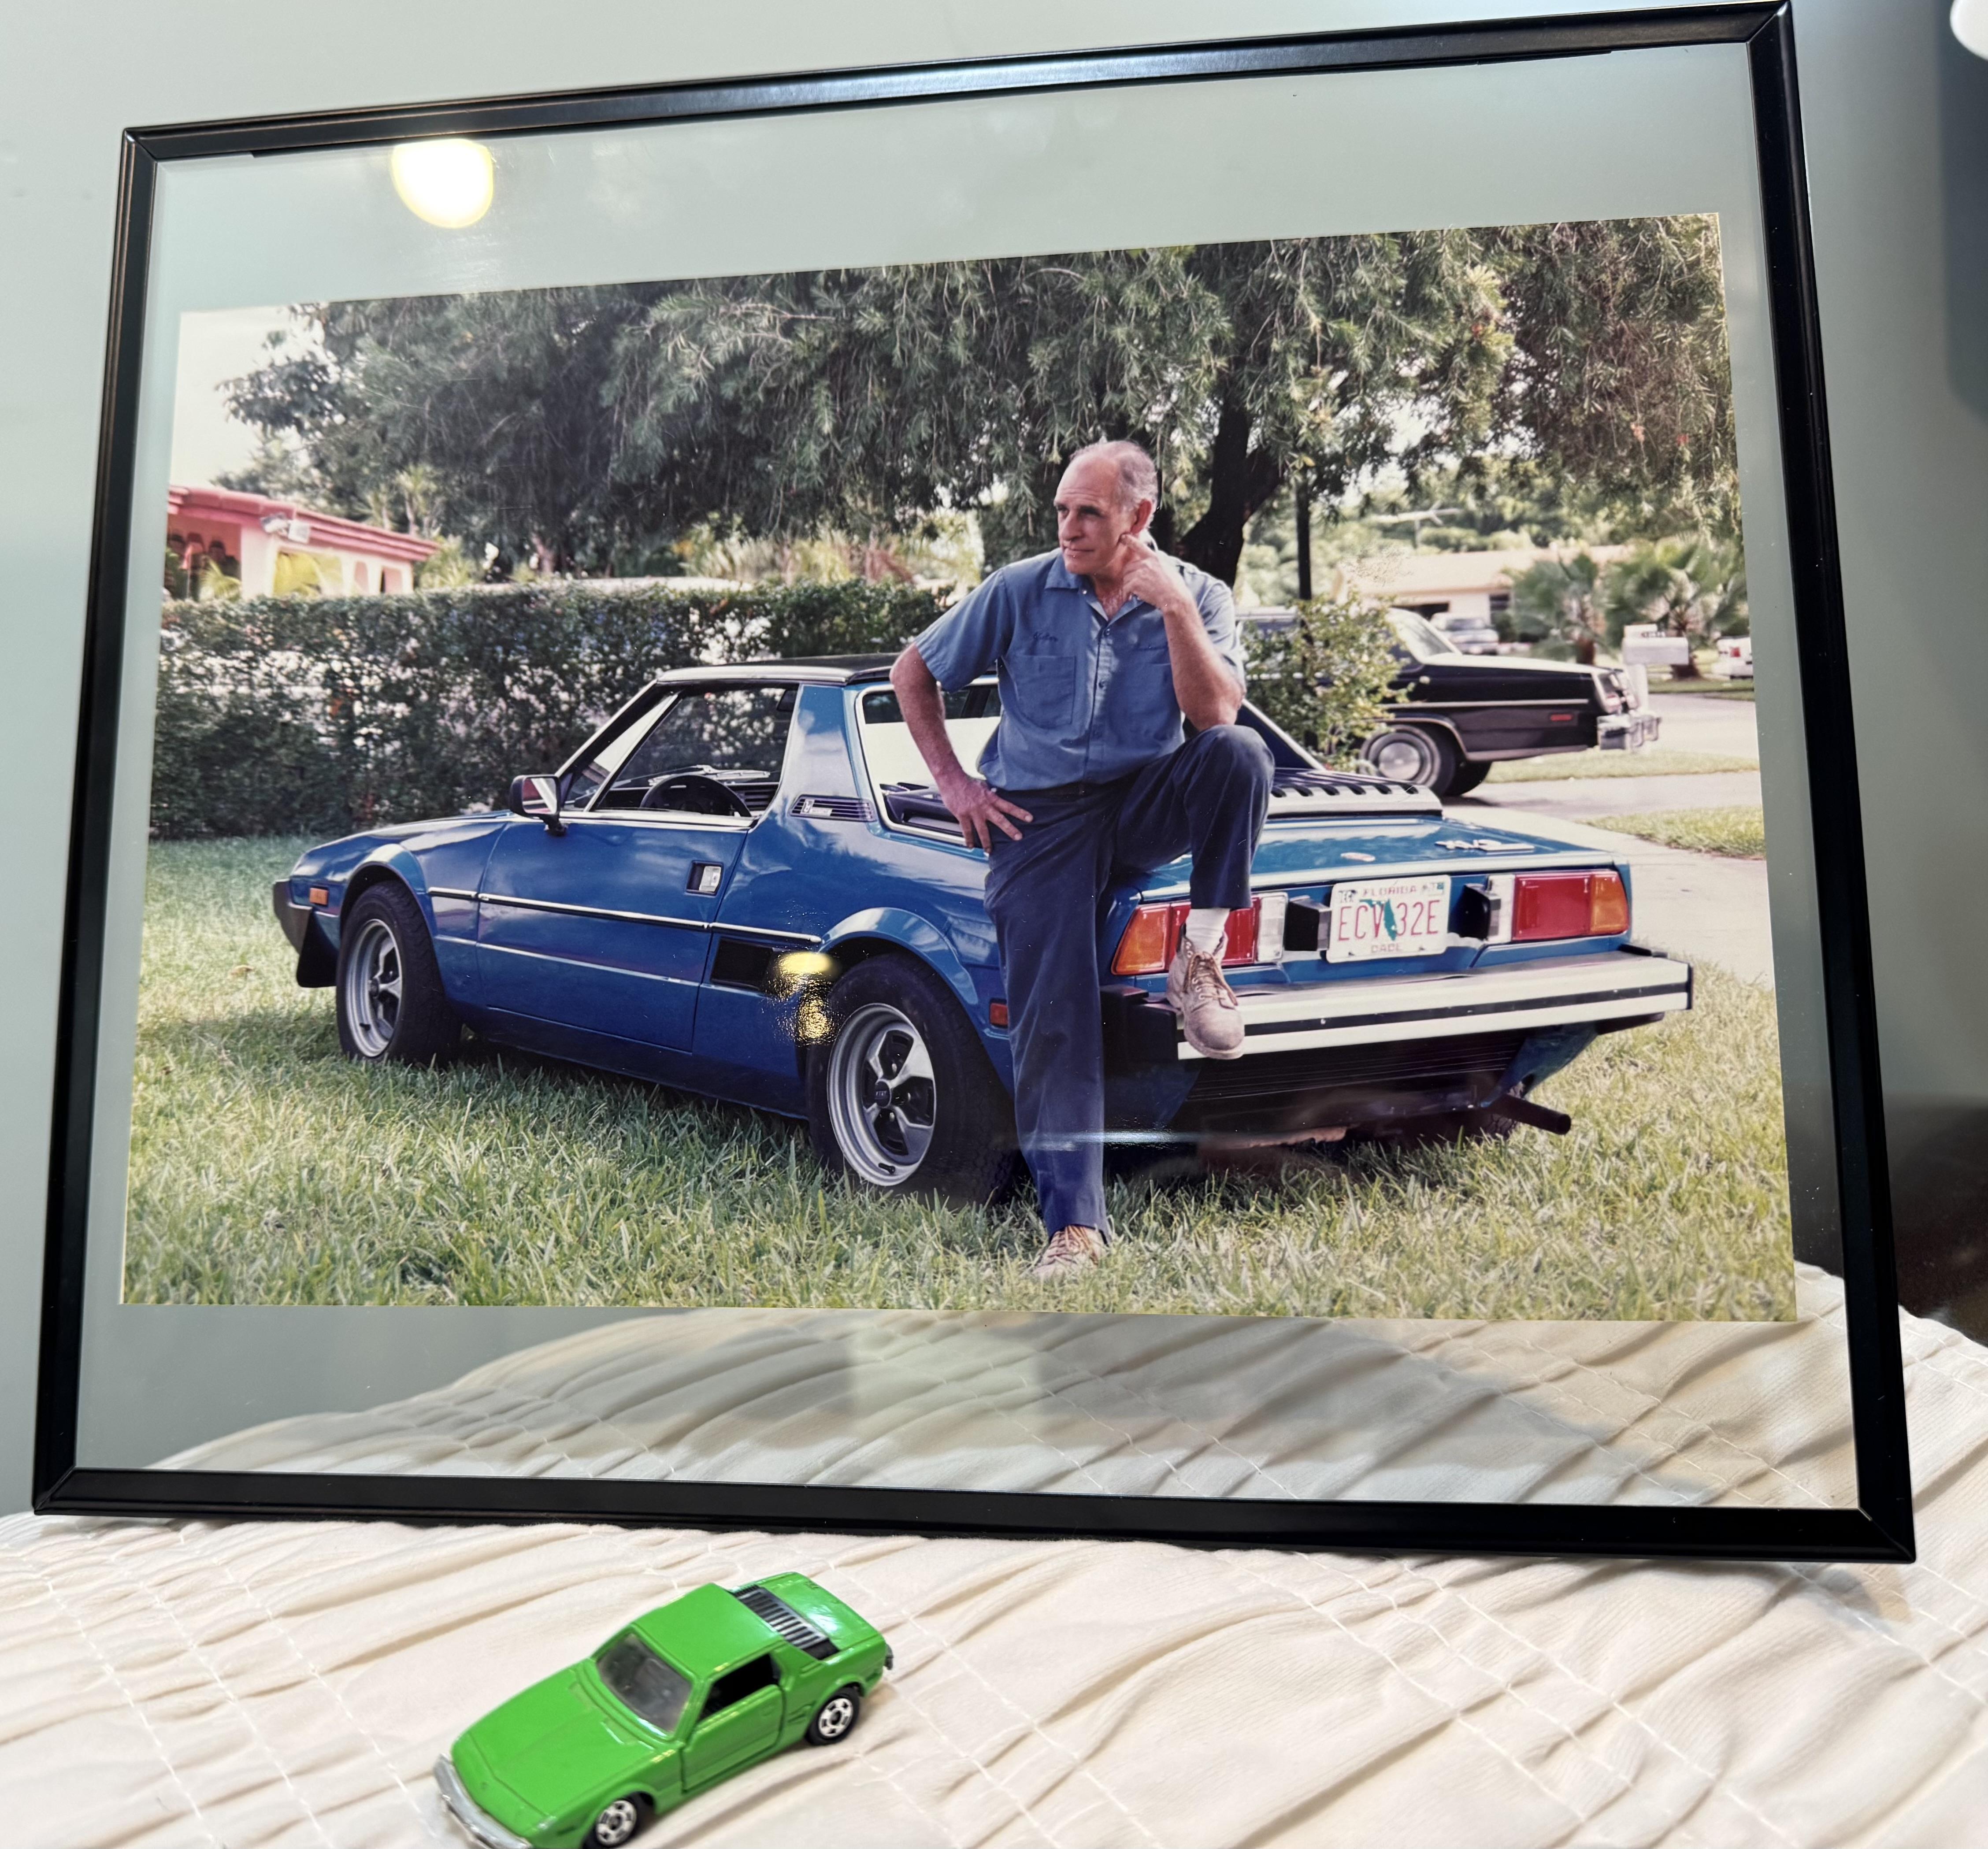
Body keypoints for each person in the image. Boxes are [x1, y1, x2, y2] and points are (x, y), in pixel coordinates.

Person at [889, 439, 1273, 1280]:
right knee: (1054, 1009)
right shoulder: (1021, 588)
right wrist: (956, 782)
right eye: (1062, 509)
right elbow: (912, 671)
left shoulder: (1200, 594)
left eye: (1088, 512)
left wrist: (1173, 608)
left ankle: (1201, 958)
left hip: (1142, 802)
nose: (1068, 526)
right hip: (1041, 818)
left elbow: (1214, 718)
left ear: (1140, 517)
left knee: (1240, 755)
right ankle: (1075, 1226)